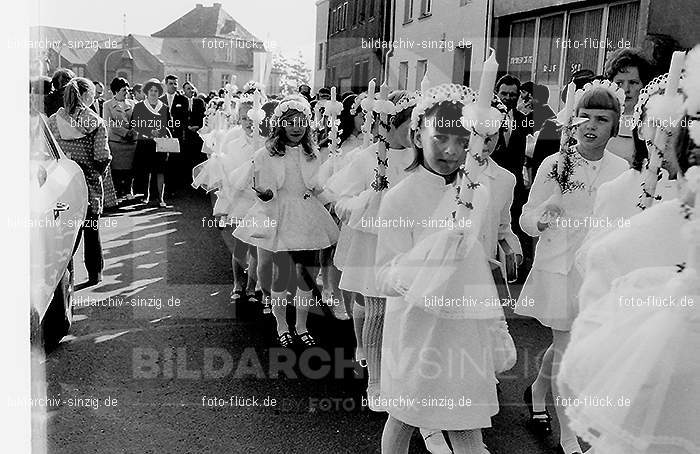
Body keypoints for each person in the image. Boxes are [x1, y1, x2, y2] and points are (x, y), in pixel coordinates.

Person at [375, 83, 506, 454]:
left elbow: (470, 249)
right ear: (418, 134)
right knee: (403, 417)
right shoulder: (400, 199)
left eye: (462, 140)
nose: (451, 150)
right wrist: (431, 258)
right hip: (416, 329)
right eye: (441, 137)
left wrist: (477, 259)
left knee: (467, 423)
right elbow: (384, 274)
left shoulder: (476, 192)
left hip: (463, 327)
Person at [516, 81, 629, 454]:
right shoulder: (555, 164)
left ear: (614, 126)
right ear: (574, 121)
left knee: (567, 344)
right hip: (560, 269)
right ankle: (568, 438)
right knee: (566, 349)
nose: (592, 126)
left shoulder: (622, 169)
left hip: (596, 271)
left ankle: (537, 389)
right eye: (586, 117)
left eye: (602, 119)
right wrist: (543, 220)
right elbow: (526, 218)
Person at [233, 95, 339, 347]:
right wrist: (265, 194)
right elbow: (259, 185)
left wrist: (332, 204)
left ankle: (301, 325)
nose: (296, 127)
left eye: (302, 122)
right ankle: (282, 324)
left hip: (307, 216)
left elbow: (315, 186)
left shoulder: (312, 153)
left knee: (306, 276)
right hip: (280, 215)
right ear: (281, 124)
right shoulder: (266, 153)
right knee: (282, 274)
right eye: (291, 122)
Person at [47, 77, 112, 286]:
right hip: (88, 184)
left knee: (65, 233)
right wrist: (98, 172)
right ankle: (95, 274)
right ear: (85, 96)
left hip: (61, 185)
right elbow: (102, 156)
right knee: (92, 230)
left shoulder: (53, 121)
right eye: (92, 95)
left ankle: (64, 278)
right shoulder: (96, 123)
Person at [604, 47, 654, 165]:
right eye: (619, 83)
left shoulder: (650, 122)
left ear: (644, 85)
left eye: (633, 82)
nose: (626, 89)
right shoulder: (601, 117)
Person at [131, 78, 172, 207]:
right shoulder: (139, 106)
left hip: (160, 143)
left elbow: (169, 124)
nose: (153, 93)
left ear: (159, 92)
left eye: (156, 90)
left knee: (161, 171)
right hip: (145, 143)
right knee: (146, 171)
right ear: (146, 92)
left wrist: (162, 131)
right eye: (151, 90)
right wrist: (149, 130)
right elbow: (135, 125)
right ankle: (146, 196)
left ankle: (161, 198)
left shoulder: (164, 107)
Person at [102, 77, 137, 200]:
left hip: (131, 142)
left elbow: (137, 120)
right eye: (123, 90)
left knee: (129, 169)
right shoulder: (107, 105)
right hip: (116, 142)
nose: (126, 93)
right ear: (116, 91)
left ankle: (128, 190)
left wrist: (133, 131)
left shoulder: (134, 104)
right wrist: (125, 132)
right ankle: (117, 192)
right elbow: (109, 123)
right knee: (116, 170)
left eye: (127, 90)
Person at [160, 74, 189, 194]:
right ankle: (164, 188)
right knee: (164, 162)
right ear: (166, 84)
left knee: (176, 162)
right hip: (164, 135)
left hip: (177, 135)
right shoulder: (160, 100)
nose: (173, 86)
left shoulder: (183, 99)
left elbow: (184, 119)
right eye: (171, 83)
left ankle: (175, 188)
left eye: (175, 83)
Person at [183, 81, 207, 168]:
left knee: (197, 160)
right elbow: (180, 117)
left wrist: (198, 126)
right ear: (184, 90)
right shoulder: (181, 102)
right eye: (188, 89)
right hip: (185, 136)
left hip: (197, 134)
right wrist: (187, 126)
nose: (191, 90)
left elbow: (203, 116)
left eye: (192, 88)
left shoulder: (199, 102)